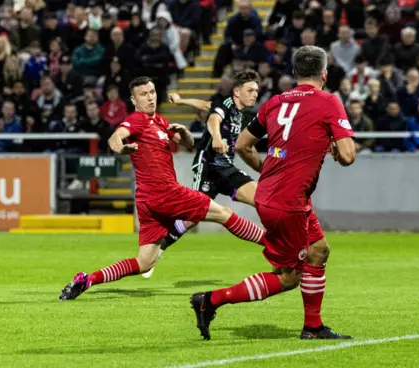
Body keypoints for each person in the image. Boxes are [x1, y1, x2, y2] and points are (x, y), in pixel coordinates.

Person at [190, 46, 356, 341]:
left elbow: (241, 145)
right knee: (289, 276)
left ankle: (313, 327)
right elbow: (348, 156)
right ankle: (211, 300)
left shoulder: (274, 103)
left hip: (278, 196)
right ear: (325, 74)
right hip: (288, 203)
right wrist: (335, 148)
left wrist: (268, 171)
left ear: (294, 74)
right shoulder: (329, 102)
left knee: (319, 250)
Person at [59, 77, 266, 301]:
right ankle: (275, 245)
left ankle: (87, 279)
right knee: (223, 214)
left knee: (144, 262)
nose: (150, 97)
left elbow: (188, 144)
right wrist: (121, 149)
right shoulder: (137, 119)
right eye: (143, 94)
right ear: (133, 99)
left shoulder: (159, 121)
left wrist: (184, 132)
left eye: (152, 92)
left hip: (148, 201)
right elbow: (115, 138)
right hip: (164, 192)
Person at [141, 70, 264, 278]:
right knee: (191, 217)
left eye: (256, 91)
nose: (254, 94)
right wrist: (216, 137)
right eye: (250, 90)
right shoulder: (226, 104)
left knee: (263, 198)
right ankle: (159, 248)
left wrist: (181, 101)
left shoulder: (238, 111)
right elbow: (213, 119)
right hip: (207, 166)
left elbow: (206, 106)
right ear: (236, 92)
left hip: (226, 168)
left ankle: (281, 246)